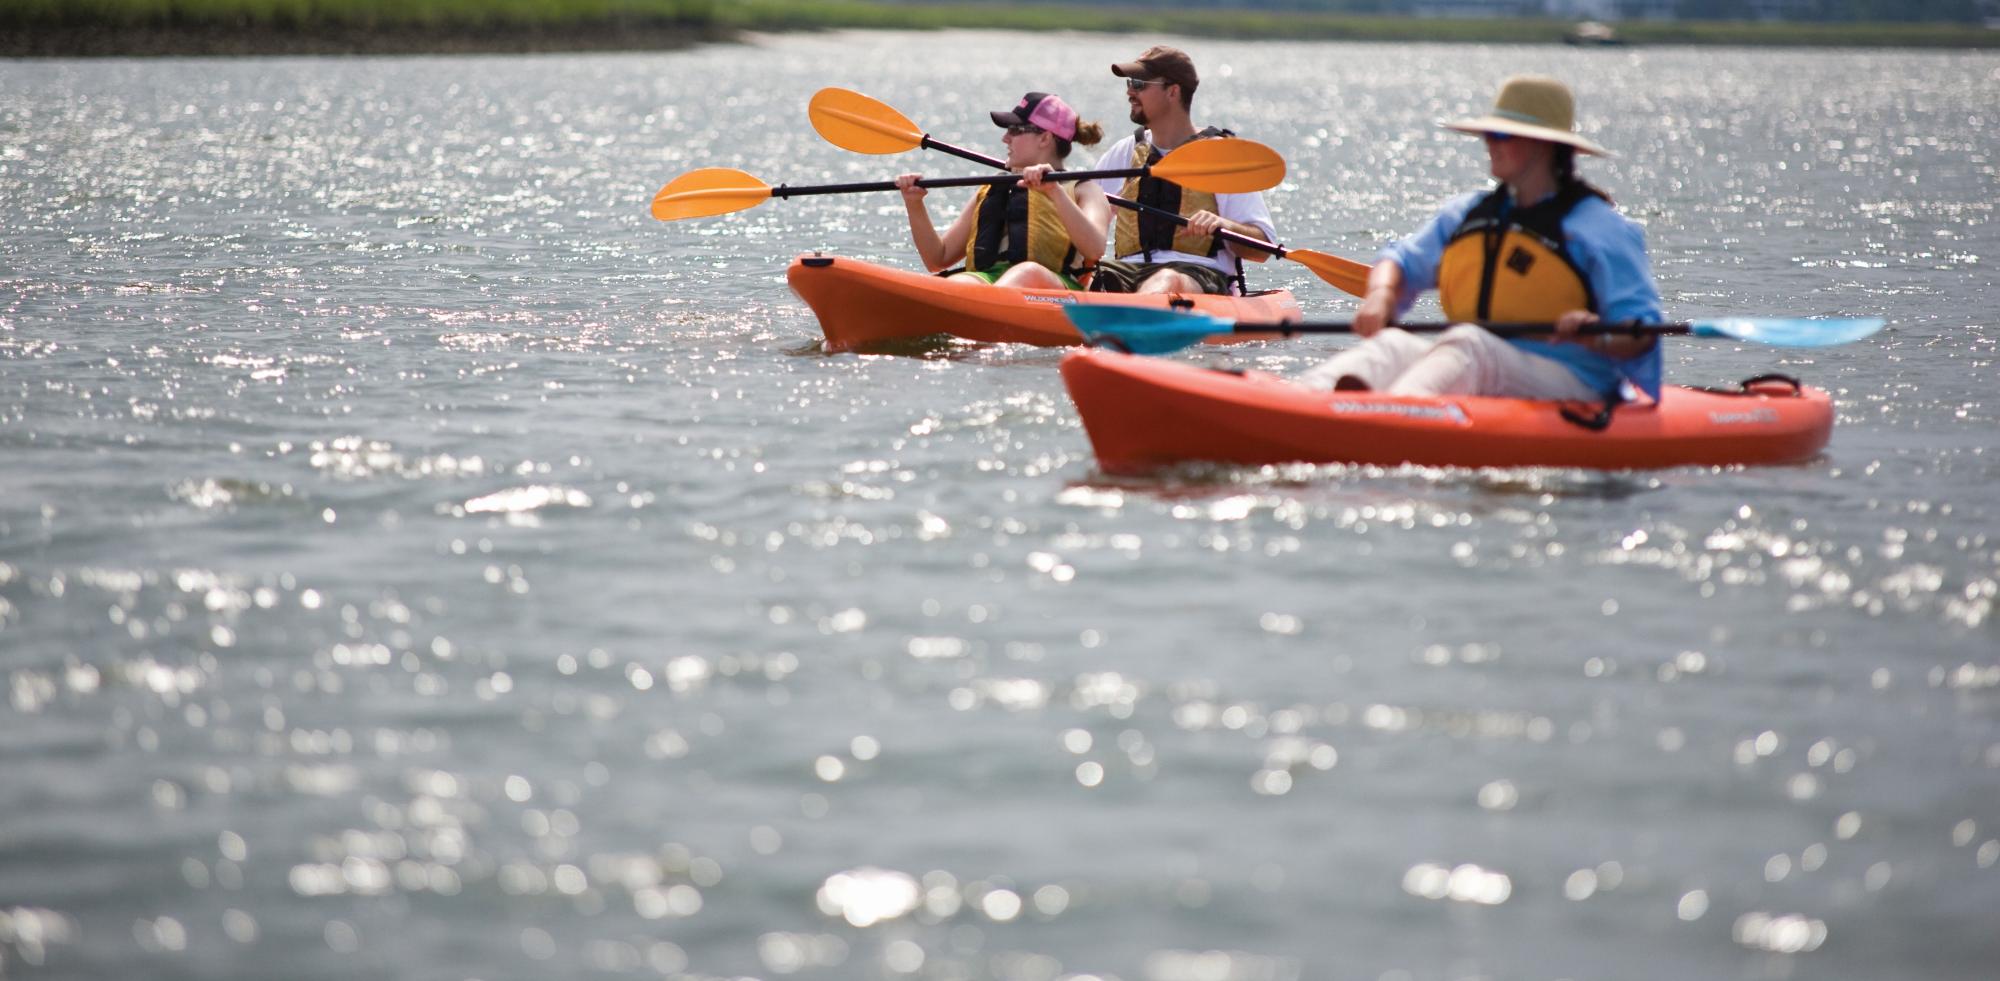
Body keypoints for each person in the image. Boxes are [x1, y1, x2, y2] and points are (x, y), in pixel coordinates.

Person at [1299, 76, 1664, 406]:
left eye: (1502, 135)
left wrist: (1595, 335)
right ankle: (1302, 405)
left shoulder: (1601, 228)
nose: (1489, 144)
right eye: (1488, 134)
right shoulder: (1467, 214)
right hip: (1483, 362)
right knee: (1392, 344)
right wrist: (1380, 295)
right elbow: (1400, 261)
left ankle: (1390, 419)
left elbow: (1642, 331)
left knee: (1471, 344)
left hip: (1574, 380)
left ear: (1543, 145)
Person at [1086, 45, 1276, 296]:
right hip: (1127, 271)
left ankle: (1135, 312)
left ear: (1172, 91)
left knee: (1166, 279)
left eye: (1139, 84)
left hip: (1197, 273)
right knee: (1090, 280)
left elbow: (1262, 248)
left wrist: (1224, 225)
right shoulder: (1125, 152)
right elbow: (1081, 222)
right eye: (1130, 83)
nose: (1130, 92)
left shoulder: (1220, 155)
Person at [893, 92, 1109, 290]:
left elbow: (1095, 249)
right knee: (960, 282)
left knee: (1027, 272)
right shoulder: (993, 187)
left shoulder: (1084, 189)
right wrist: (914, 203)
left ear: (1045, 138)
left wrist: (1054, 192)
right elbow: (938, 259)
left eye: (1015, 130)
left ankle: (984, 305)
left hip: (1054, 287)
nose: (1005, 138)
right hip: (990, 280)